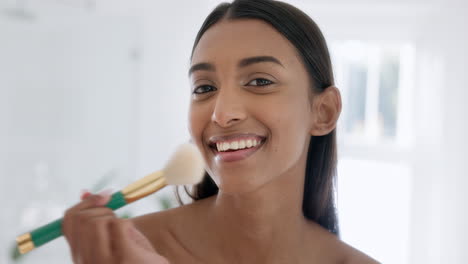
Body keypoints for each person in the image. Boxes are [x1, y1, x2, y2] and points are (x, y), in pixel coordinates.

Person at [62, 0, 380, 263]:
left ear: (323, 112)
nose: (222, 113)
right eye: (205, 87)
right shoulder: (128, 251)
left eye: (260, 81)